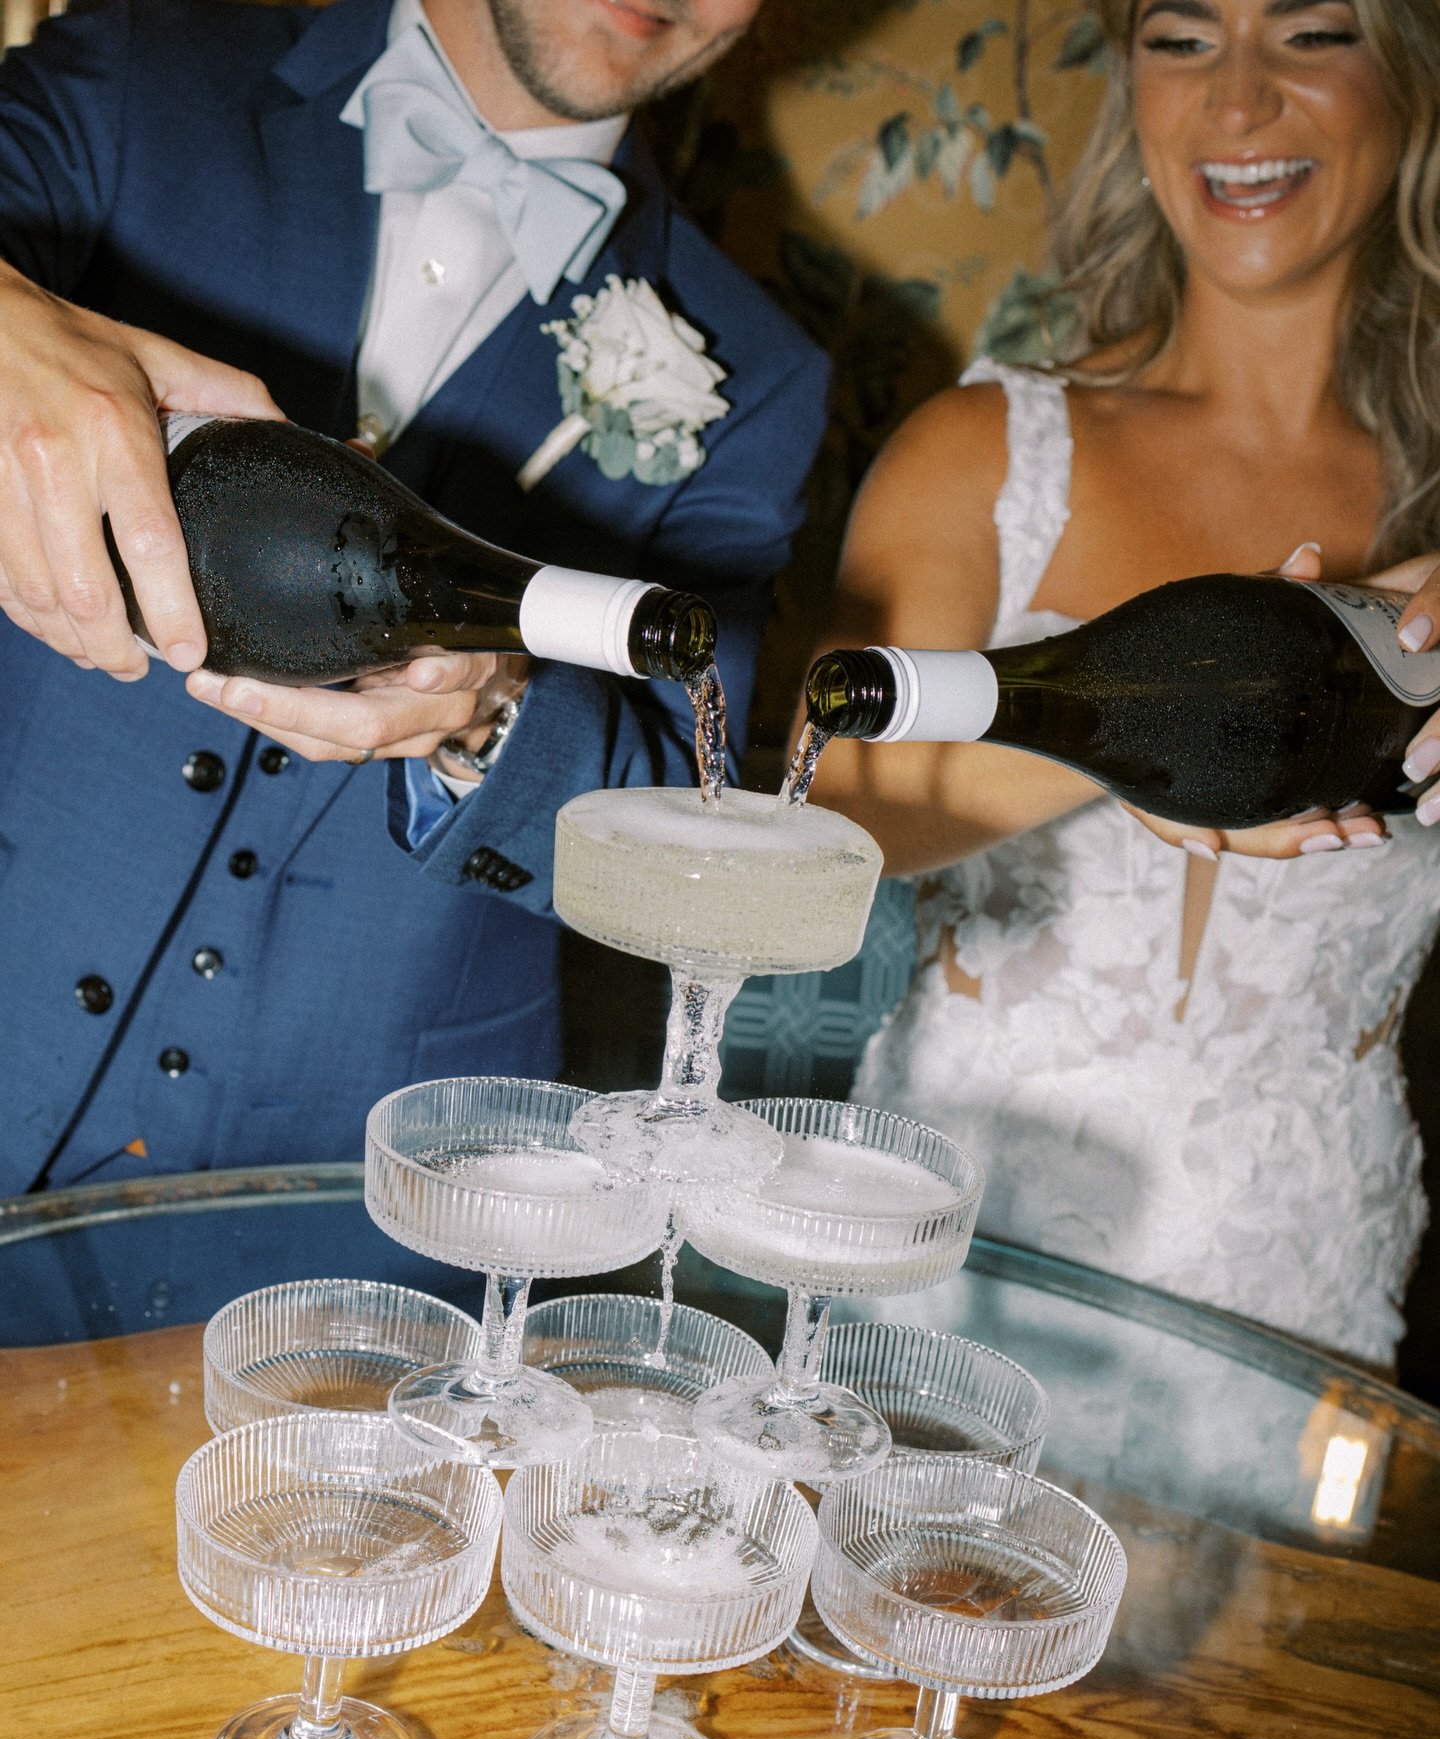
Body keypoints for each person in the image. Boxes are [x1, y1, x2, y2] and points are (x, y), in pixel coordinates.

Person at [0, 0, 828, 1205]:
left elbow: (686, 845)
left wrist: (488, 713)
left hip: (366, 1190)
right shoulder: (135, 73)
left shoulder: (755, 375)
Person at [807, 0, 1440, 1367]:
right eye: (1185, 37)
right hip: (951, 1263)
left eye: (1316, 33)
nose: (1240, 99)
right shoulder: (984, 451)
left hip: (1299, 1294)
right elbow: (828, 810)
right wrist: (1151, 707)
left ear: (1409, 77)